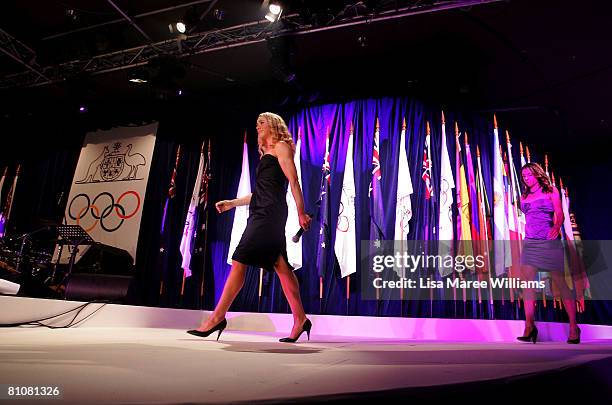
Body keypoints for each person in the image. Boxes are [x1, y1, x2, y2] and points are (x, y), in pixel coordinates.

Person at [188, 112, 312, 342]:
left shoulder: (282, 147)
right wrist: (233, 203)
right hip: (261, 210)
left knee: (240, 259)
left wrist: (301, 212)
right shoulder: (265, 153)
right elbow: (261, 192)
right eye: (256, 123)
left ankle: (217, 318)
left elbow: (293, 182)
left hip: (269, 214)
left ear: (274, 125)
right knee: (280, 265)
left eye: (261, 122)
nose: (257, 126)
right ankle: (300, 319)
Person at [517, 162, 580, 344]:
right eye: (524, 176)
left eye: (529, 175)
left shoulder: (551, 191)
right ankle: (529, 326)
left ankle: (574, 327)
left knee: (559, 282)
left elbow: (559, 213)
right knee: (527, 283)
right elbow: (529, 218)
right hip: (530, 243)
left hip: (549, 241)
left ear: (537, 174)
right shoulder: (524, 197)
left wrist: (557, 226)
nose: (526, 178)